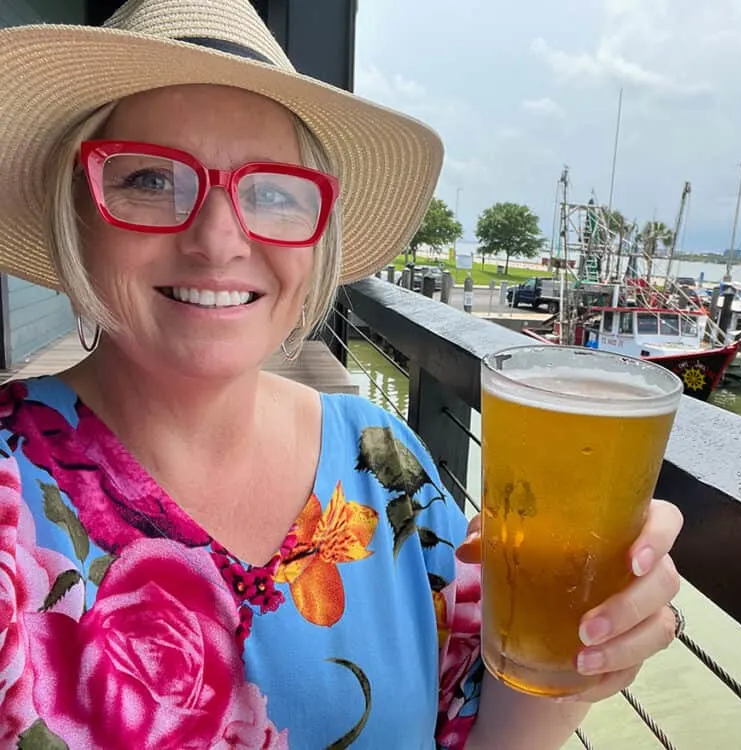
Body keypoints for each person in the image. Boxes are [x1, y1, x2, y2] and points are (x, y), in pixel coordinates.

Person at [0, 1, 685, 748]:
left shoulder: (384, 464)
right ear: (78, 208)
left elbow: (482, 730)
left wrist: (580, 648)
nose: (218, 240)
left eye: (270, 191)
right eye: (150, 181)